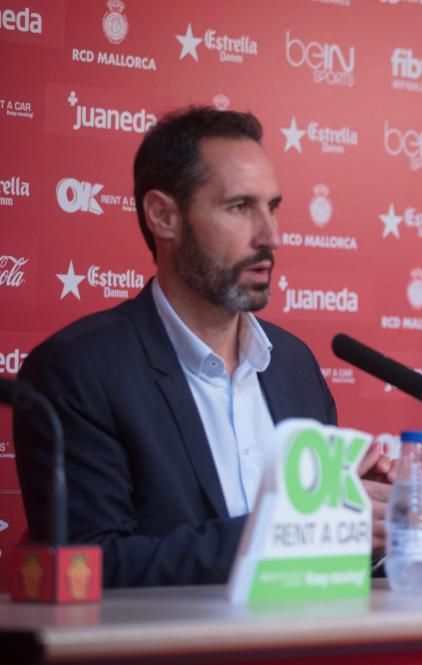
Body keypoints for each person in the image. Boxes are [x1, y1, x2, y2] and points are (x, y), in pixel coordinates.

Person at [14, 107, 394, 587]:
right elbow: (89, 567)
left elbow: (319, 565)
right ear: (163, 216)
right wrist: (293, 533)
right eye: (240, 207)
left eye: (272, 207)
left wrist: (368, 530)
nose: (271, 236)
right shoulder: (77, 371)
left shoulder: (293, 365)